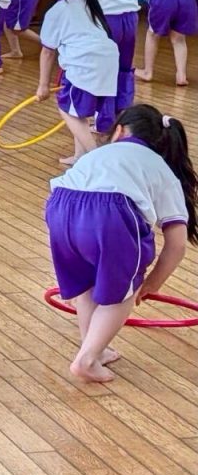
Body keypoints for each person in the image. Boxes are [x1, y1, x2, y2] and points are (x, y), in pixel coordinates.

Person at [46, 104, 197, 382]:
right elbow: (176, 245)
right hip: (111, 214)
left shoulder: (96, 154)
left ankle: (93, 349)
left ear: (120, 131)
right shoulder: (161, 169)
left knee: (86, 282)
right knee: (123, 292)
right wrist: (150, 284)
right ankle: (87, 359)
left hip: (59, 207)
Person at [36, 0, 119, 165]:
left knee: (67, 108)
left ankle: (95, 157)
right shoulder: (91, 4)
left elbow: (48, 52)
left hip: (84, 63)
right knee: (79, 111)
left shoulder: (58, 11)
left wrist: (43, 86)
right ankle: (80, 156)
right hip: (108, 61)